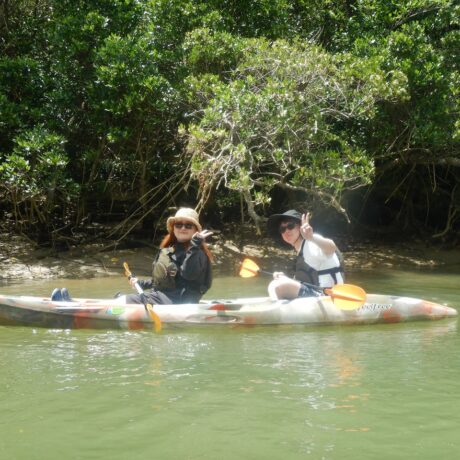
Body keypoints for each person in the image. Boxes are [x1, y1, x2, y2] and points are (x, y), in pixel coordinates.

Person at [118, 207, 213, 305]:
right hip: (161, 297)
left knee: (122, 300)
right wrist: (142, 284)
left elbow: (189, 274)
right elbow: (164, 280)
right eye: (178, 225)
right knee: (119, 298)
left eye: (188, 225)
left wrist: (194, 245)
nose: (183, 228)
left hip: (178, 302)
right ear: (173, 228)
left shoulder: (198, 253)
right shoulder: (169, 250)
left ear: (195, 231)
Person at [266, 209, 344, 300]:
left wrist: (312, 237)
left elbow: (331, 248)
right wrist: (285, 279)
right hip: (316, 294)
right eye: (282, 229)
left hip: (327, 296)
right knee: (279, 281)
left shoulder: (311, 243)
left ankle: (275, 312)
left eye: (290, 226)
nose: (286, 231)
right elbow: (303, 282)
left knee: (275, 286)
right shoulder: (301, 250)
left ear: (300, 226)